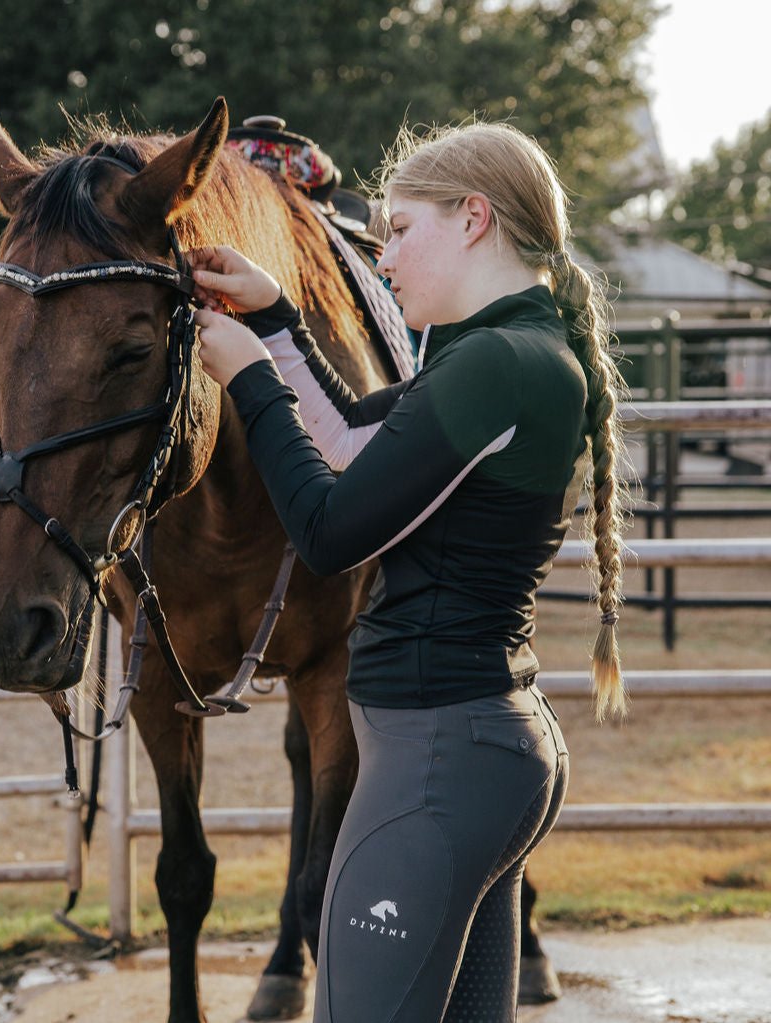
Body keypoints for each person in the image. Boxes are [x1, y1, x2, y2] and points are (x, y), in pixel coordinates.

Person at [188, 121, 627, 1023]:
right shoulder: (504, 353)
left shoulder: (496, 364)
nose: (382, 257)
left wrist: (250, 382)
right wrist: (274, 321)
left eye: (398, 228)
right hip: (480, 748)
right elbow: (351, 440)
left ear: (474, 218)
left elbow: (329, 530)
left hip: (436, 760)